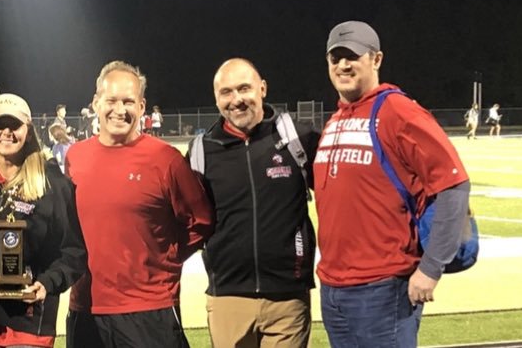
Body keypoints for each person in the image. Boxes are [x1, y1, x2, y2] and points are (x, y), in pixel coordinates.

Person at [316, 21, 471, 347]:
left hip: (383, 289)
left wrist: (431, 268)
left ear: (376, 59)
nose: (343, 65)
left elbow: (453, 185)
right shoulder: (336, 119)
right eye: (336, 58)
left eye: (353, 56)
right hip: (333, 288)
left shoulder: (398, 111)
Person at [64, 61, 213, 348]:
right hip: (86, 307)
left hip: (149, 310)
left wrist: (166, 257)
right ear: (96, 103)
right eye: (111, 100)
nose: (119, 110)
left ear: (142, 107)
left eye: (128, 102)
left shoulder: (165, 159)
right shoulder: (76, 156)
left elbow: (201, 221)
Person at [192, 59, 318, 347]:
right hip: (227, 298)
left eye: (244, 88)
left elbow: (341, 194)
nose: (236, 100)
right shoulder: (202, 152)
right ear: (216, 98)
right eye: (226, 92)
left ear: (262, 88)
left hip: (288, 298)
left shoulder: (298, 138)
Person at [0, 94, 86, 348]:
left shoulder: (52, 184)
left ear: (29, 132)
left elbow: (74, 252)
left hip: (30, 322)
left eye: (15, 125)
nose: (7, 132)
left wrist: (47, 283)